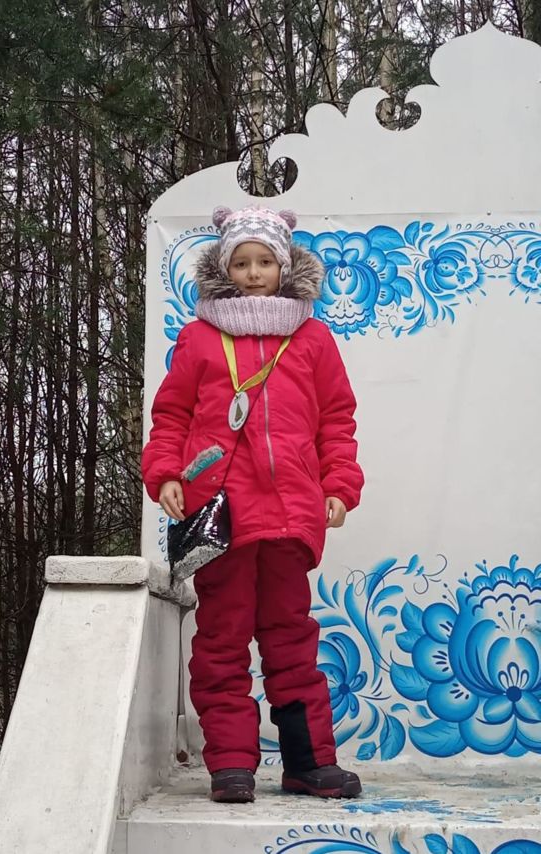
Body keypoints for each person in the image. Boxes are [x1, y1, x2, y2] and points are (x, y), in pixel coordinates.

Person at [142, 205, 364, 803]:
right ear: (224, 269)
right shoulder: (199, 338)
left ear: (284, 266)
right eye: (241, 262)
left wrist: (339, 485)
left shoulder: (313, 339)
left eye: (265, 261)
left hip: (291, 517)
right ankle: (232, 765)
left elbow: (336, 421)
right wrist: (165, 474)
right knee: (221, 642)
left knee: (292, 641)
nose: (254, 272)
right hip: (222, 517)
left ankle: (309, 764)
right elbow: (172, 416)